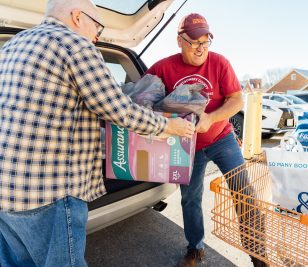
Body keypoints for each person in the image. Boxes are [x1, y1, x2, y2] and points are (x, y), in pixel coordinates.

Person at [0, 0, 195, 266]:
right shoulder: (74, 44)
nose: (98, 35)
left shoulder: (14, 44)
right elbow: (118, 110)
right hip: (51, 193)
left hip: (8, 189)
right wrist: (168, 126)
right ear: (77, 16)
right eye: (98, 25)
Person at [147, 13, 268, 267]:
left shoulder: (220, 63)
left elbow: (236, 100)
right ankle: (195, 248)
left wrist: (211, 118)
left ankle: (259, 256)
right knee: (190, 198)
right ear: (180, 40)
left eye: (205, 41)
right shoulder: (162, 68)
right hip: (186, 146)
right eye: (194, 42)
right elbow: (145, 98)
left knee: (244, 191)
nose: (201, 48)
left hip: (222, 138)